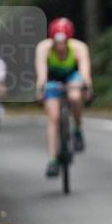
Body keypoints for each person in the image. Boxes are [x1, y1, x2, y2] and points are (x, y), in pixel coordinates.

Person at [35, 18, 93, 178]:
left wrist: (87, 88)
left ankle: (77, 128)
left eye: (63, 42)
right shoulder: (44, 48)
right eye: (56, 42)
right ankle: (53, 159)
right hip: (53, 80)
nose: (60, 46)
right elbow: (41, 74)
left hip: (72, 78)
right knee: (53, 117)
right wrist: (40, 90)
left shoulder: (79, 48)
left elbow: (85, 73)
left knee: (75, 97)